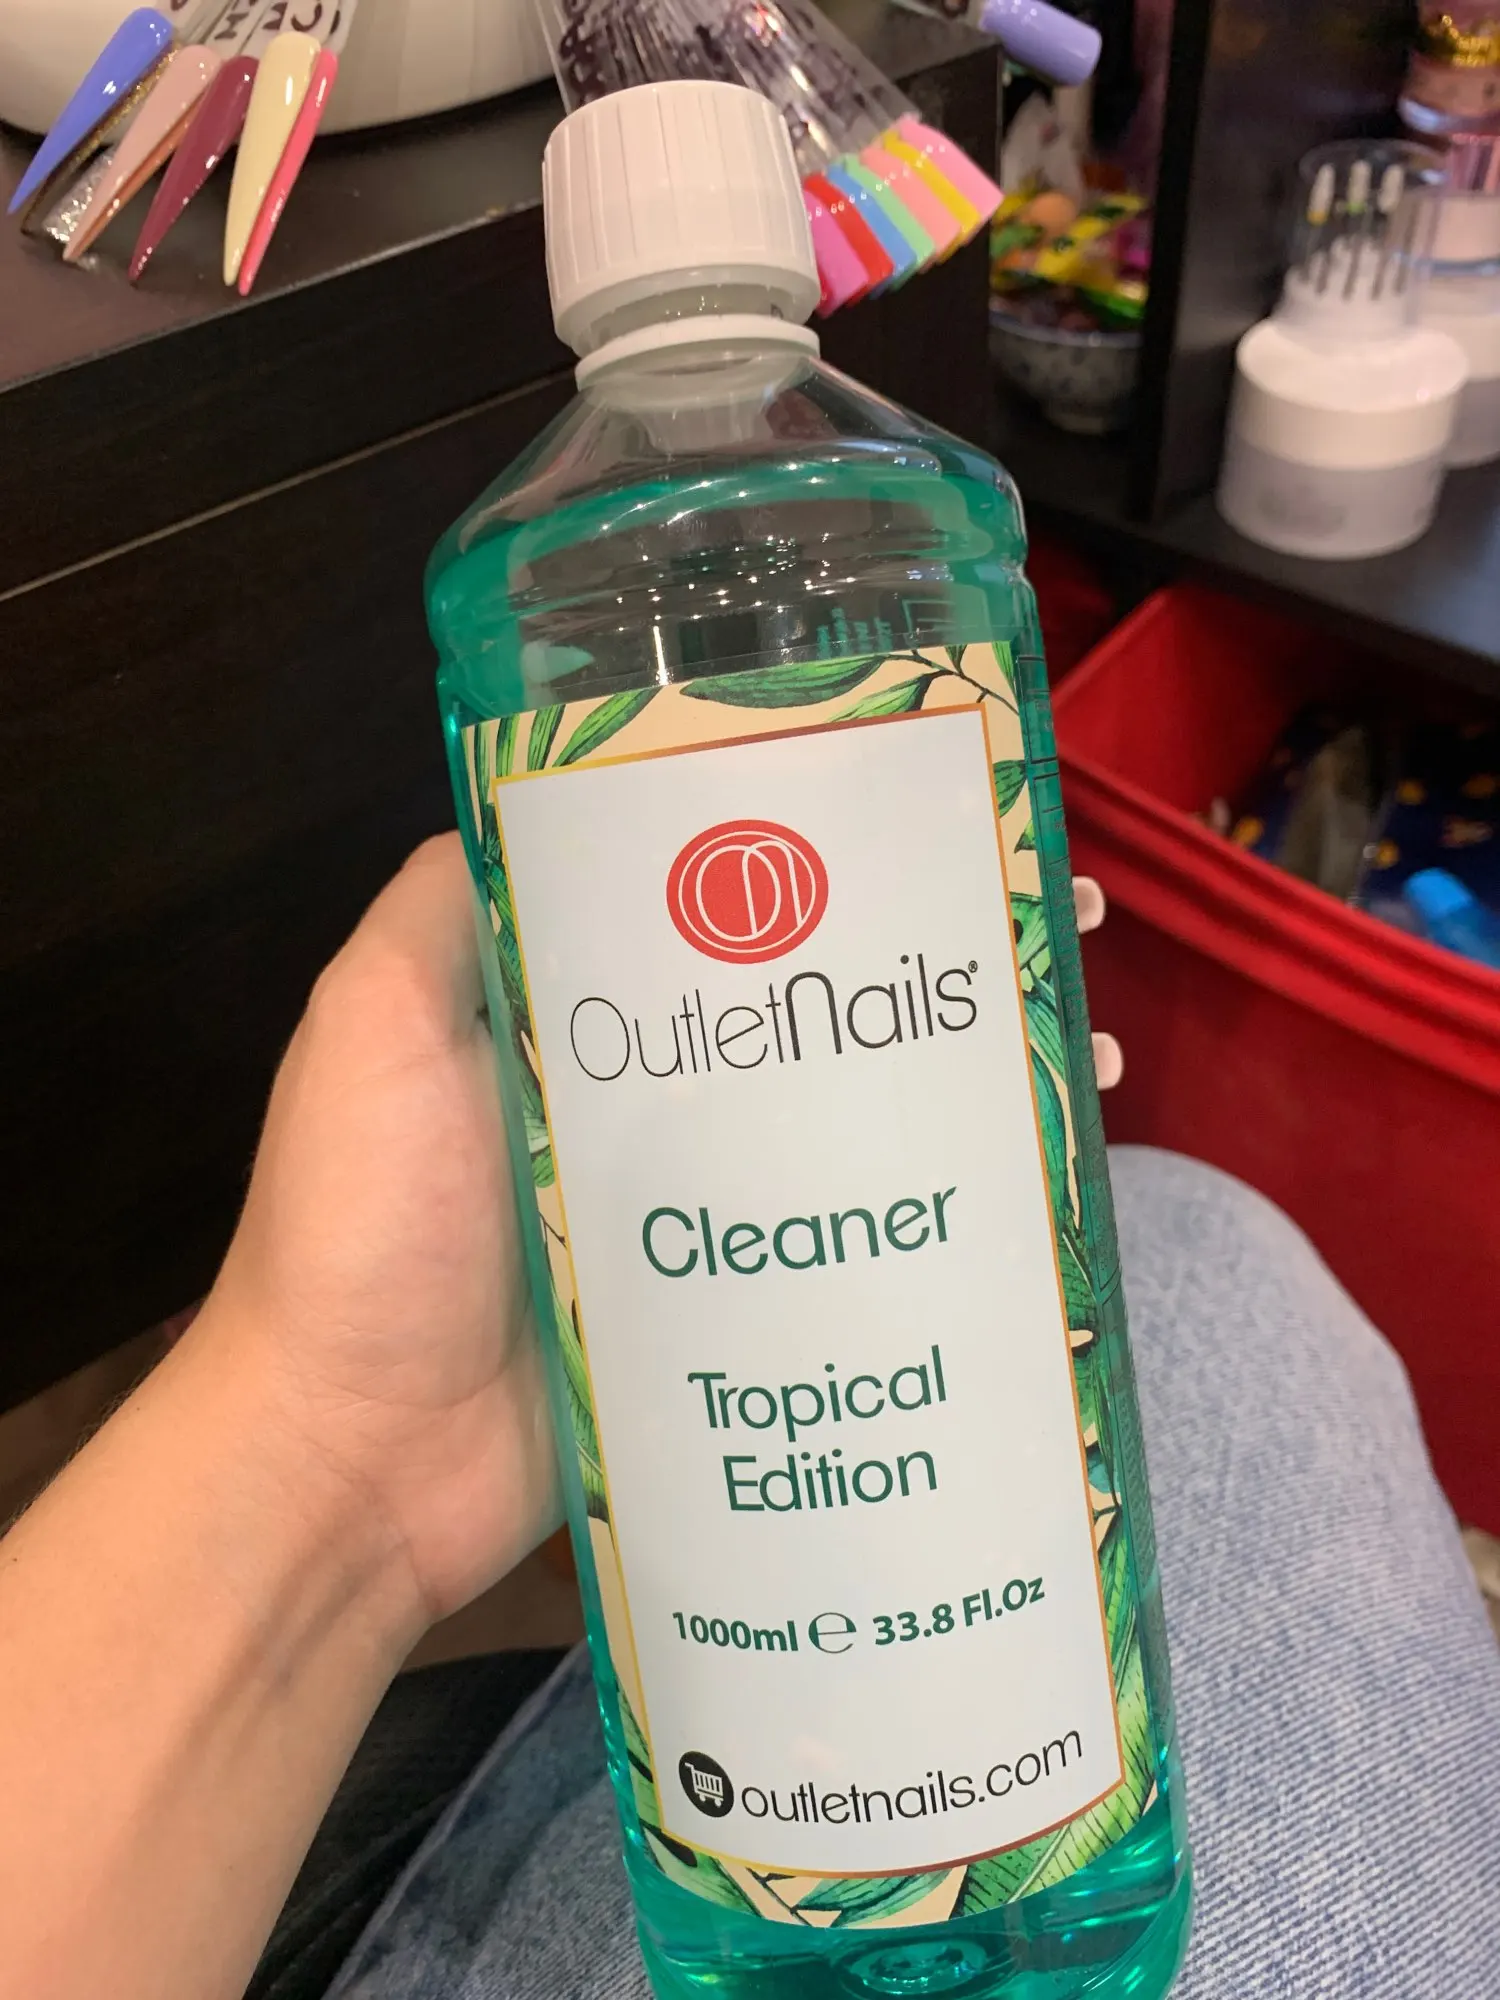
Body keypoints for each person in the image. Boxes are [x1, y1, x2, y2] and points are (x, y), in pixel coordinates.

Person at [0, 838, 1495, 2000]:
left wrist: (328, 1449)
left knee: (1173, 1237)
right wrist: (323, 1417)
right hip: (756, 1912)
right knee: (1198, 1245)